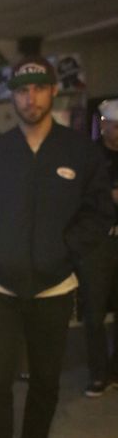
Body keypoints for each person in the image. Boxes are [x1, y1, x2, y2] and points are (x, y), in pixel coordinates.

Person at [0, 57, 114, 438]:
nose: (30, 98)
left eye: (39, 88)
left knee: (46, 381)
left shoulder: (80, 153)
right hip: (0, 288)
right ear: (12, 95)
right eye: (22, 90)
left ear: (52, 91)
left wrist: (64, 250)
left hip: (54, 287)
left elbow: (99, 213)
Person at [78, 98, 118, 396]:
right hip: (97, 243)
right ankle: (98, 373)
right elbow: (80, 195)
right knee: (93, 312)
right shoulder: (90, 156)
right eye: (114, 126)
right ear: (103, 125)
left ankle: (115, 371)